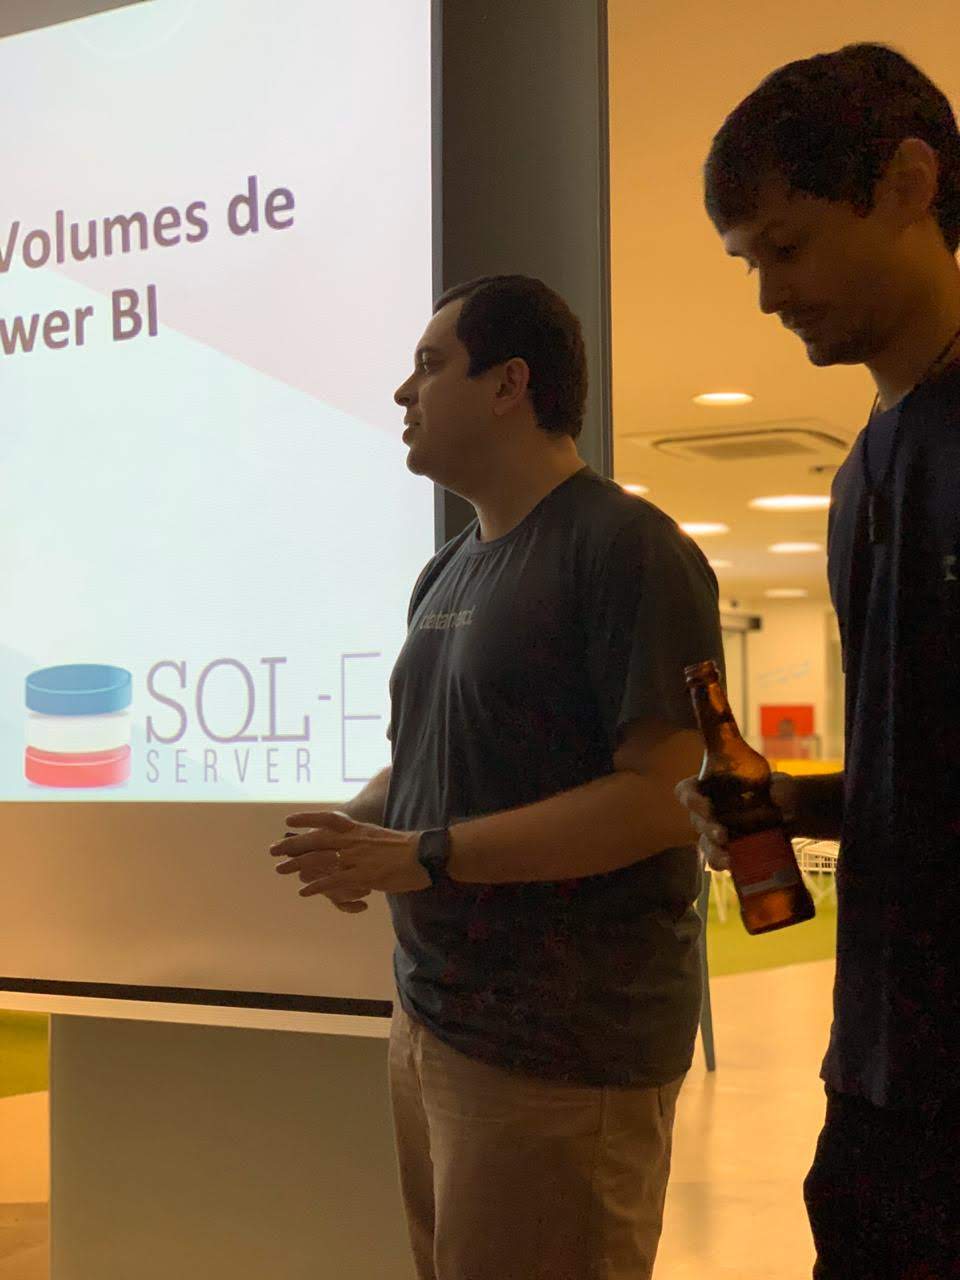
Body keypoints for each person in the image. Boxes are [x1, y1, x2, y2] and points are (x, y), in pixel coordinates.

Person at [270, 274, 722, 1280]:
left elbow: (662, 798)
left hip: (562, 1046)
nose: (404, 392)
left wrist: (426, 853)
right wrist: (360, 828)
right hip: (433, 1020)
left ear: (511, 383)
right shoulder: (448, 569)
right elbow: (436, 756)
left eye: (430, 365)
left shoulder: (628, 548)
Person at [676, 43, 960, 1279]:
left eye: (785, 248)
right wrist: (792, 801)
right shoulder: (859, 481)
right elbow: (923, 765)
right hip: (879, 1087)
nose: (766, 297)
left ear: (908, 184)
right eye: (750, 262)